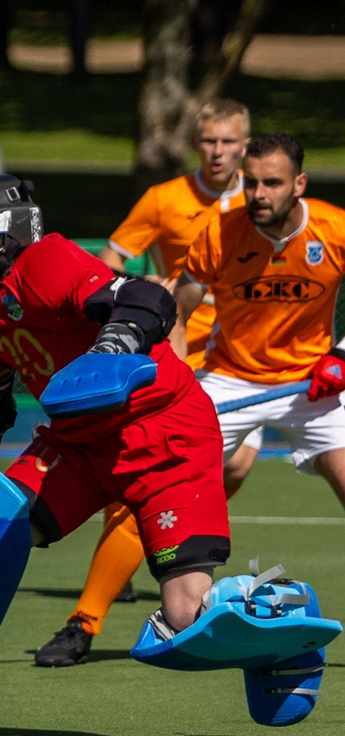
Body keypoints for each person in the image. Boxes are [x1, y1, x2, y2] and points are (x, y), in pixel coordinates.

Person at [0, 168, 283, 736]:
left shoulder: (46, 263)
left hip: (164, 432)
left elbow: (146, 299)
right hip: (75, 444)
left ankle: (281, 622)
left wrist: (108, 351)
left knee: (184, 616)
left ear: (9, 237)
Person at [38, 99, 253, 658]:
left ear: (245, 148)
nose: (216, 151)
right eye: (207, 140)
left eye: (228, 142)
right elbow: (107, 261)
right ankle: (85, 620)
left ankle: (194, 588)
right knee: (144, 487)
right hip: (168, 358)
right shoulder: (164, 200)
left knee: (223, 473)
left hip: (235, 366)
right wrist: (134, 287)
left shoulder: (263, 202)